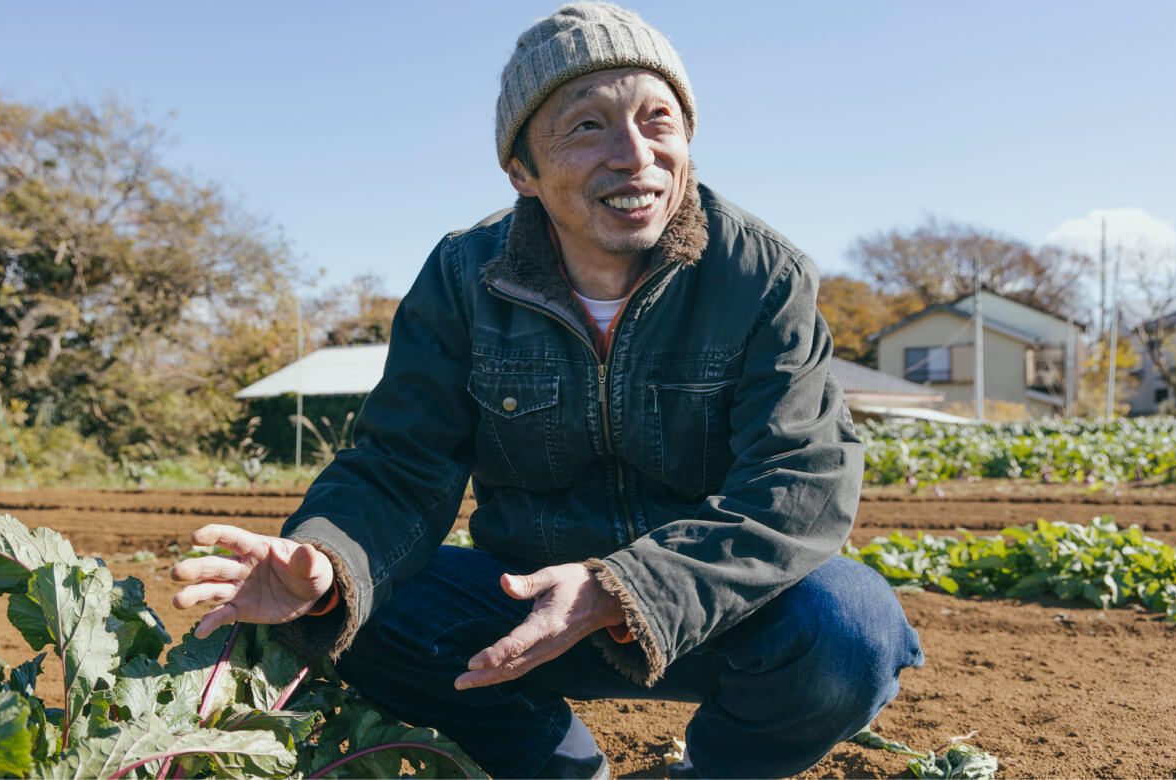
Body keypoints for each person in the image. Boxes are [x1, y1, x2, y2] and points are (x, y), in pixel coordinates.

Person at [173, 3, 924, 777]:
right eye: (587, 126)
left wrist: (621, 588)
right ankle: (556, 765)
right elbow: (401, 465)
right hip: (525, 604)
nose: (635, 155)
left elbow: (798, 485)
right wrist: (331, 563)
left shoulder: (762, 276)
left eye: (658, 120)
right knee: (362, 608)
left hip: (705, 608)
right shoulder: (463, 278)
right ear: (521, 172)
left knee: (851, 628)